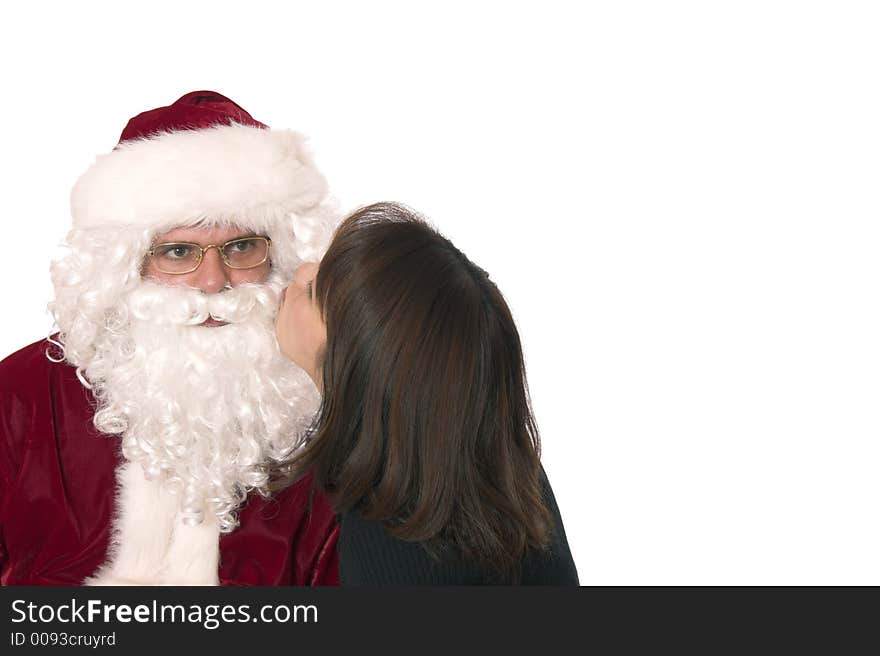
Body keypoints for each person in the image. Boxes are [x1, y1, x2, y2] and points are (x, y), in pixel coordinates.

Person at [0, 91, 341, 585]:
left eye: (242, 247)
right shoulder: (20, 395)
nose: (213, 282)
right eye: (178, 252)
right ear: (125, 266)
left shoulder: (329, 400)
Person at [274, 202, 579, 584]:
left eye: (315, 292)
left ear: (353, 362)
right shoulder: (504, 470)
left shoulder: (387, 546)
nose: (302, 270)